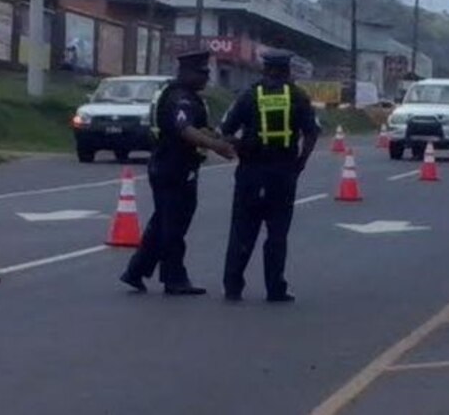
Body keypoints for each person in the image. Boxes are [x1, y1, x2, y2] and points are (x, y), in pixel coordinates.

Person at [119, 51, 236, 296]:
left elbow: (199, 128)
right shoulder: (180, 98)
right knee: (174, 226)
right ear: (186, 73)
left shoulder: (188, 96)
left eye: (207, 73)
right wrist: (217, 147)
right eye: (201, 73)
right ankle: (174, 278)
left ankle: (136, 271)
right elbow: (185, 130)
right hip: (173, 168)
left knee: (162, 222)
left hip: (173, 166)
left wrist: (219, 137)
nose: (205, 78)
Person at [220, 50, 320, 303]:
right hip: (283, 173)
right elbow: (312, 133)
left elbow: (226, 129)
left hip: (251, 172)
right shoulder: (297, 96)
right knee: (277, 233)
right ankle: (275, 288)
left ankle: (233, 286)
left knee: (242, 229)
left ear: (265, 70)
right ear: (286, 71)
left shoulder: (249, 95)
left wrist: (241, 145)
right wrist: (300, 163)